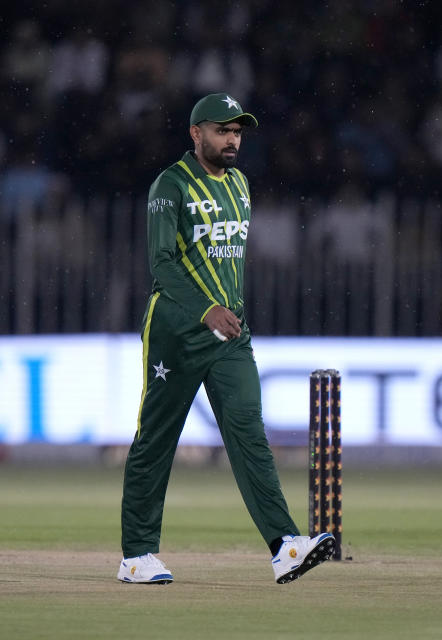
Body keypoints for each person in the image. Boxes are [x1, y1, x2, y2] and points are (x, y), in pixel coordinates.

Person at [118, 93, 335, 585]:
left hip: (230, 333)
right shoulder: (169, 185)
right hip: (177, 329)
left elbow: (224, 261)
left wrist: (226, 311)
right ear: (196, 134)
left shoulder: (239, 183)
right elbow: (162, 265)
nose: (232, 139)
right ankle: (136, 556)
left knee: (249, 434)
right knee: (156, 440)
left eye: (237, 131)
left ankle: (285, 546)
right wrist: (205, 309)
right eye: (222, 130)